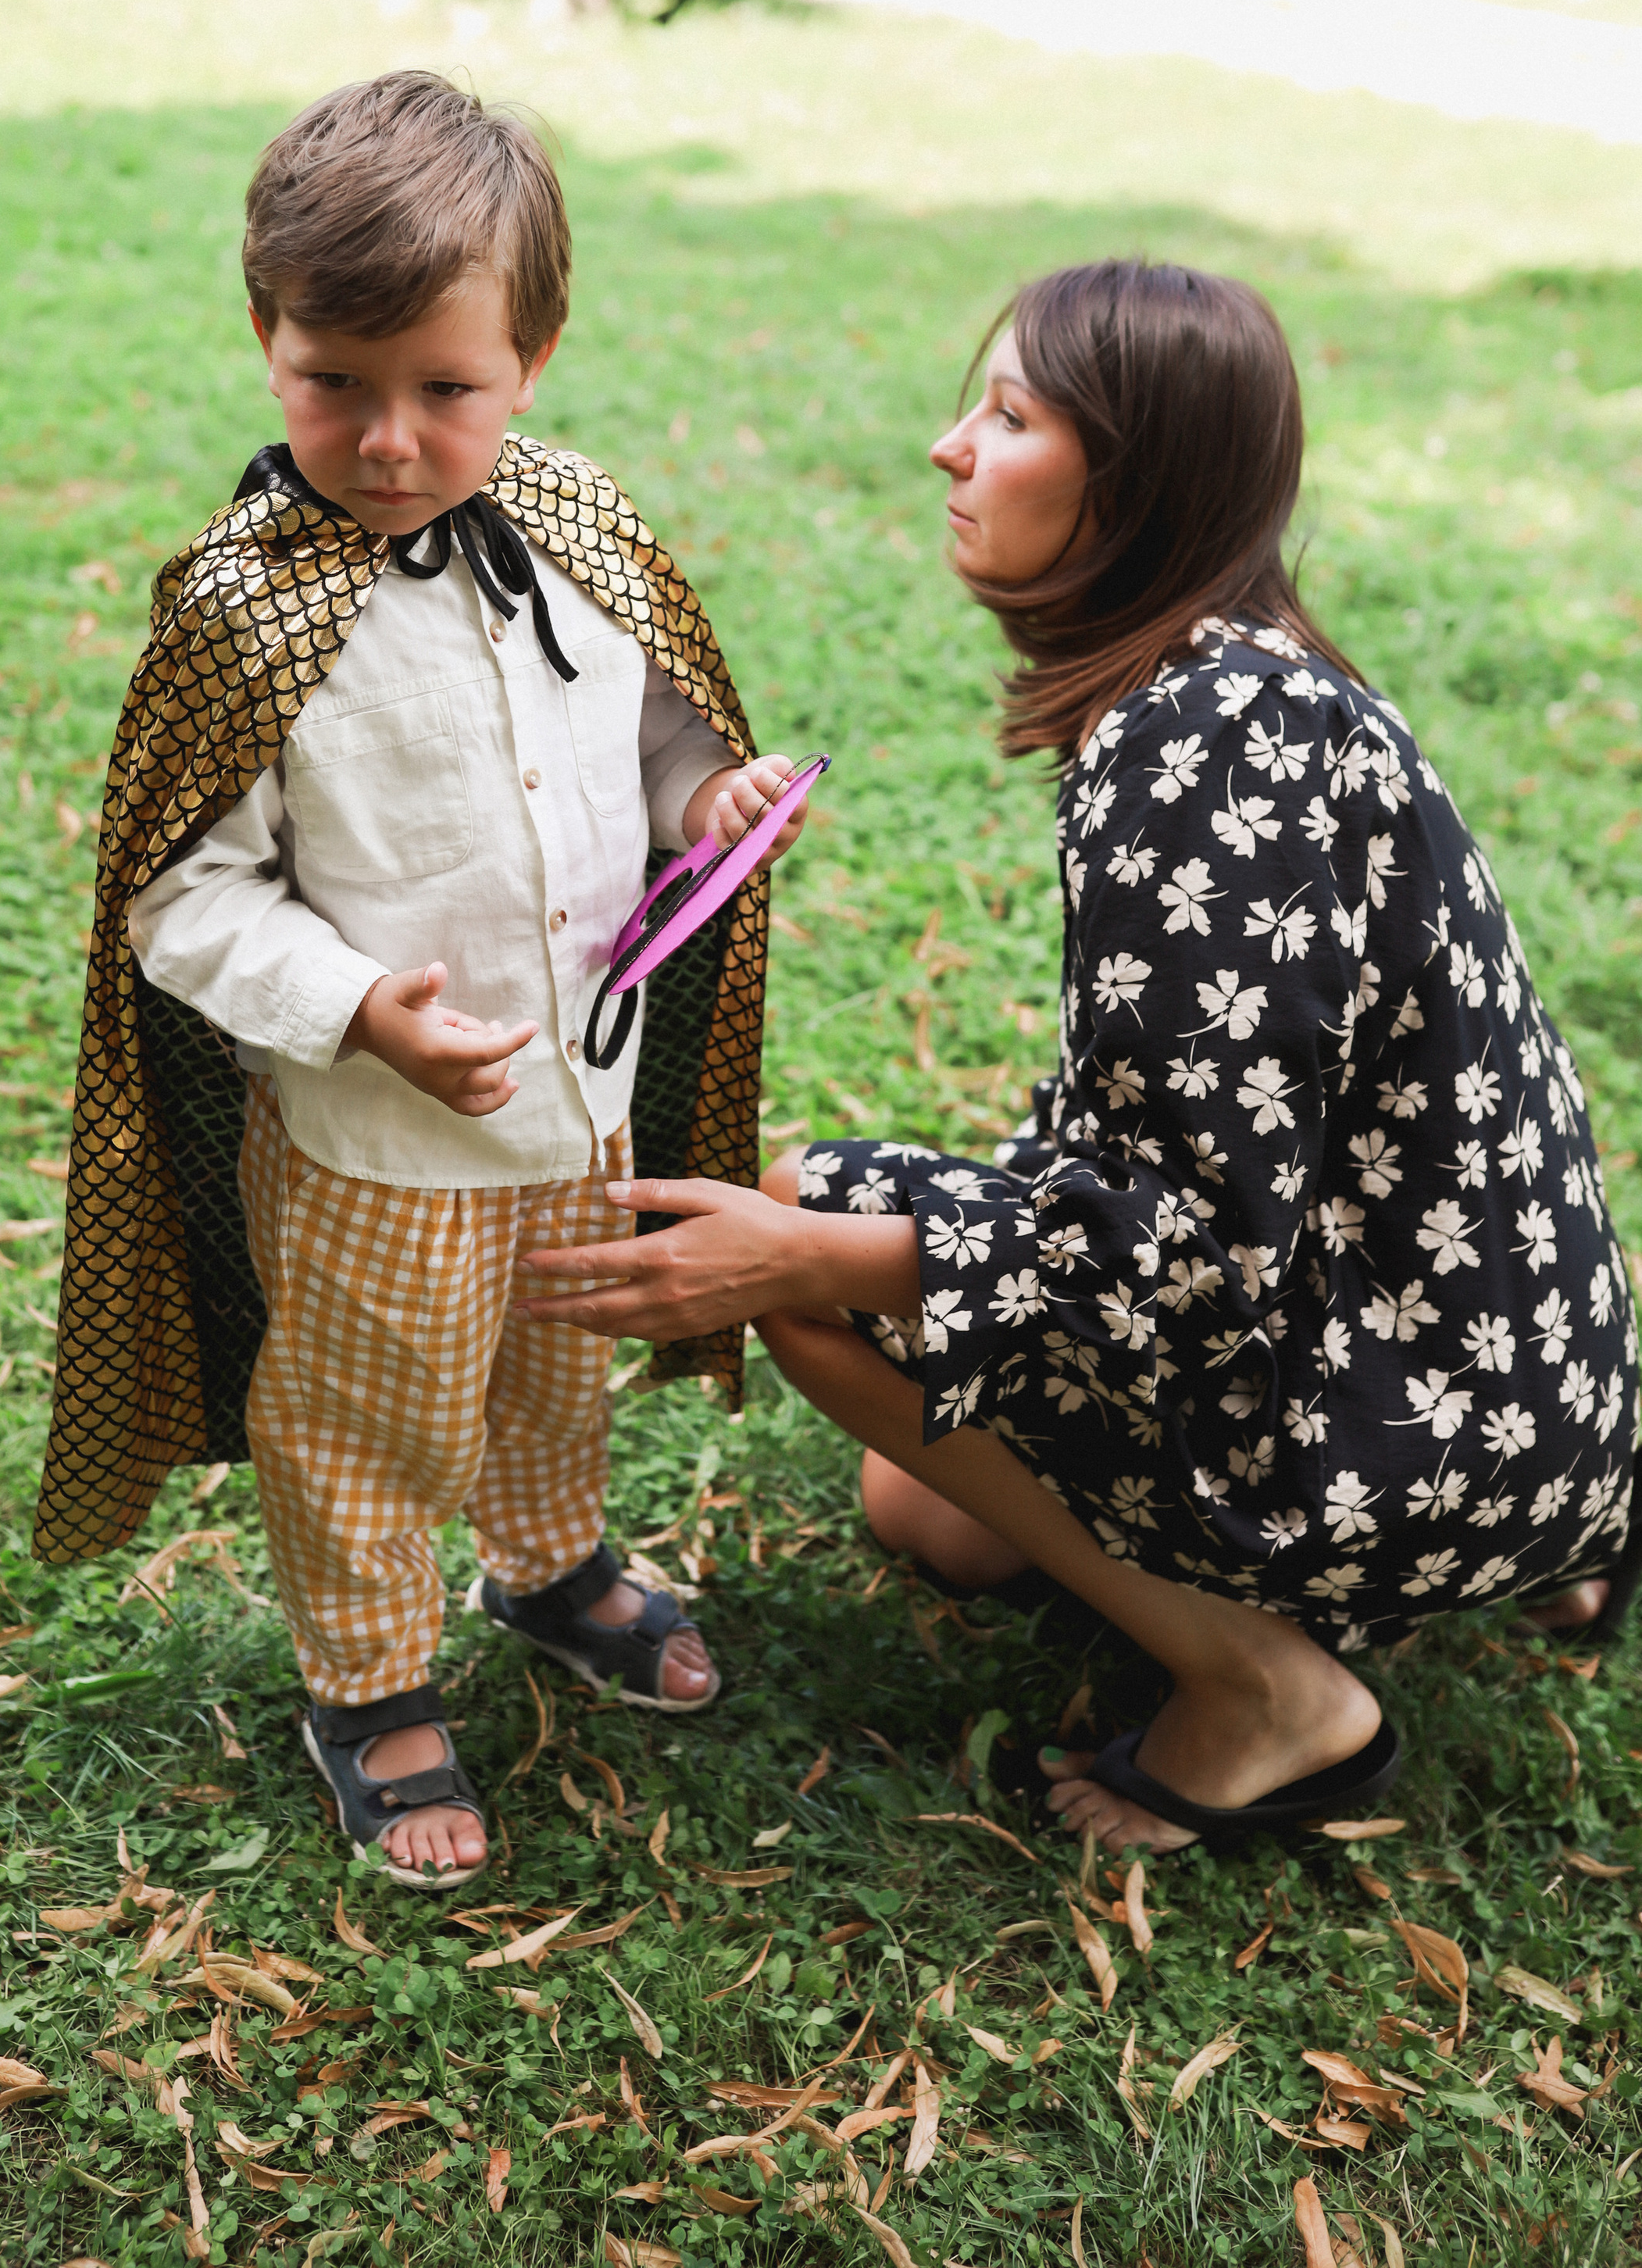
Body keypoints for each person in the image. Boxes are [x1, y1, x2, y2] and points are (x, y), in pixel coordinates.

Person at [522, 259, 1639, 1852]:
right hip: (1506, 1380)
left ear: (1131, 482)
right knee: (932, 1517)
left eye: (1008, 413)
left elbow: (1190, 1259)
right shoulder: (1241, 679)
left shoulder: (1192, 754)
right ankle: (1520, 1545)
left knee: (814, 1265)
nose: (947, 448)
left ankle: (1271, 1697)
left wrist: (797, 1255)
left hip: (1419, 1417)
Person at [34, 71, 806, 1889]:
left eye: (445, 391)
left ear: (531, 356)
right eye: (335, 384)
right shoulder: (247, 603)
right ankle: (367, 1683)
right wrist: (359, 1009)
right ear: (264, 339)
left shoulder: (584, 531)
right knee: (369, 1418)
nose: (390, 441)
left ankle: (544, 1562)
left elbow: (653, 734)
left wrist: (716, 794)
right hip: (376, 1146)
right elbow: (184, 898)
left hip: (581, 1097)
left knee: (552, 1373)